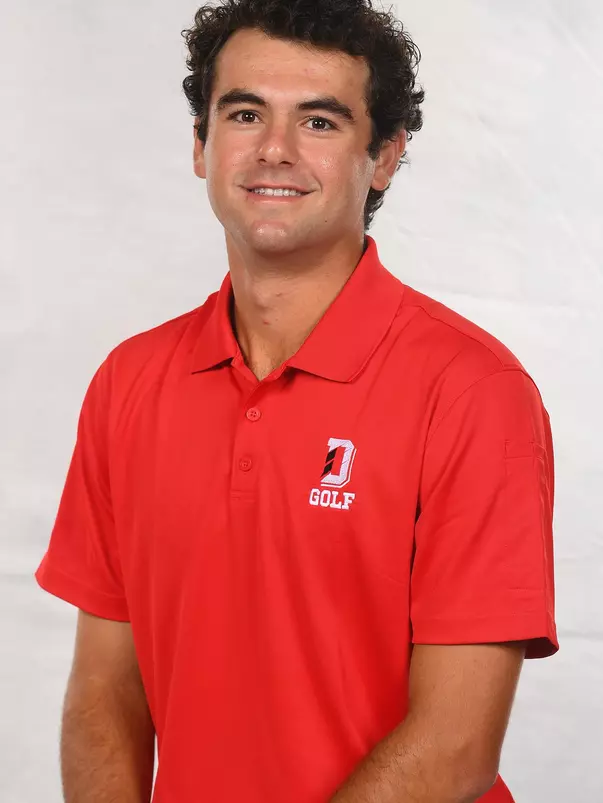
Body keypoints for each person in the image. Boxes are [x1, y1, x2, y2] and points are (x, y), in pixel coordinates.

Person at [35, 1, 559, 801]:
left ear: (383, 157)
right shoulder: (128, 382)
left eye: (319, 122)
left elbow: (455, 744)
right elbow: (105, 693)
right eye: (244, 113)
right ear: (201, 146)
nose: (273, 149)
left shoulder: (472, 393)